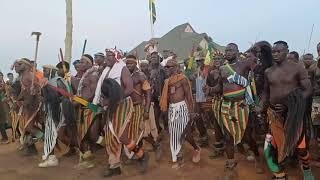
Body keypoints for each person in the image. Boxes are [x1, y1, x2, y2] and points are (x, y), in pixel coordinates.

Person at [257, 41, 314, 180]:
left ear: (286, 51)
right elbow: (265, 92)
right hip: (274, 115)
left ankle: (306, 169)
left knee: (301, 149)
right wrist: (260, 107)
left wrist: (291, 104)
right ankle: (280, 175)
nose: (275, 54)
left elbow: (308, 90)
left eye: (279, 51)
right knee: (269, 149)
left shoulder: (298, 68)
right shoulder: (268, 71)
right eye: (273, 52)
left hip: (293, 115)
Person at [208, 43, 262, 175]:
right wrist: (210, 89)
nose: (227, 52)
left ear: (237, 52)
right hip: (226, 106)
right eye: (226, 50)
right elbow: (221, 87)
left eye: (231, 50)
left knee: (248, 136)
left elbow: (258, 66)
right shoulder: (222, 68)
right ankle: (230, 165)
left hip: (242, 106)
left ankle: (257, 157)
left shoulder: (244, 64)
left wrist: (257, 51)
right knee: (228, 136)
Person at [97, 48, 148, 177]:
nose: (106, 58)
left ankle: (142, 156)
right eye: (106, 55)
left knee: (121, 136)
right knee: (110, 136)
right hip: (110, 106)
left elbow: (130, 89)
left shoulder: (122, 69)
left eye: (109, 55)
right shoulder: (106, 71)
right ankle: (114, 166)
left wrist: (113, 100)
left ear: (116, 57)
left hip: (123, 105)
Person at [160, 59, 201, 169]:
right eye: (166, 67)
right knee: (173, 133)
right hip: (172, 109)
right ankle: (178, 157)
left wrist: (191, 111)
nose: (167, 69)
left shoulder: (183, 79)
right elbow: (168, 97)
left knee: (185, 133)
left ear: (175, 67)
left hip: (182, 107)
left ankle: (196, 148)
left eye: (169, 67)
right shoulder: (167, 81)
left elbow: (188, 96)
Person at [126, 55, 162, 161]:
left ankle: (155, 145)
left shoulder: (140, 75)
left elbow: (148, 93)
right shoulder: (127, 75)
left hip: (140, 106)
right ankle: (139, 152)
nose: (128, 65)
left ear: (135, 63)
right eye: (127, 63)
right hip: (130, 107)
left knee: (143, 132)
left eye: (131, 63)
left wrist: (146, 110)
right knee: (134, 132)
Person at [15, 58, 43, 156]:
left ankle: (45, 137)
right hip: (29, 106)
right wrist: (18, 100)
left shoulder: (31, 76)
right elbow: (24, 91)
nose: (16, 67)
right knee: (25, 127)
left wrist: (27, 101)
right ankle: (31, 149)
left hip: (35, 105)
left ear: (25, 65)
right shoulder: (23, 76)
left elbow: (37, 90)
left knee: (28, 127)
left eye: (19, 64)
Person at [75, 54, 99, 169]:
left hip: (90, 109)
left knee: (91, 136)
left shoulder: (93, 75)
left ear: (89, 64)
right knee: (84, 135)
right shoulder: (85, 75)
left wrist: (78, 100)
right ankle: (85, 158)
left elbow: (92, 94)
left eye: (82, 62)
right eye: (79, 62)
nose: (79, 64)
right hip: (83, 108)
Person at [0, 72, 9, 144]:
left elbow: (6, 92)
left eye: (1, 76)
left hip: (3, 105)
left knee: (2, 122)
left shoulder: (4, 84)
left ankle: (5, 138)